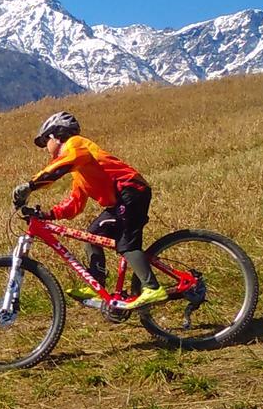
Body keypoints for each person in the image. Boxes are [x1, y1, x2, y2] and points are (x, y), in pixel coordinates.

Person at [11, 111, 166, 310]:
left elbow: (58, 168)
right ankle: (96, 284)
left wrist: (30, 185)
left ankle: (152, 288)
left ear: (54, 136)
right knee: (92, 235)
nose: (45, 149)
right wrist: (47, 214)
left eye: (44, 141)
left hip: (132, 191)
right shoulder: (80, 169)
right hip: (119, 200)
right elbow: (75, 203)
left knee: (127, 243)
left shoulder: (76, 144)